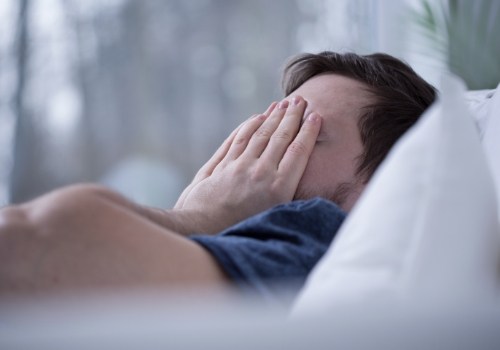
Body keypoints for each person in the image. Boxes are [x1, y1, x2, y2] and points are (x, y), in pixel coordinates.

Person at [0, 51, 436, 301]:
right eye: (268, 127)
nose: (254, 150)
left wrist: (197, 218)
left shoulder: (315, 236)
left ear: (386, 178)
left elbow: (28, 246)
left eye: (301, 134)